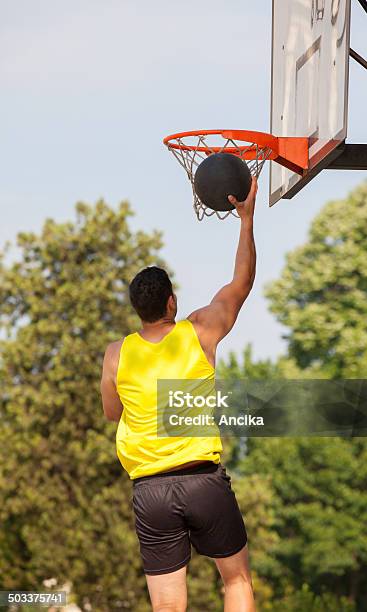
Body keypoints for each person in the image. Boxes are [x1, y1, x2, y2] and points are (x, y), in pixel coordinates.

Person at [100, 177, 258, 612]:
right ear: (171, 302)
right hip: (202, 480)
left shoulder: (116, 355)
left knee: (168, 606)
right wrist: (245, 220)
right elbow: (240, 284)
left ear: (139, 309)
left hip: (150, 491)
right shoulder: (200, 330)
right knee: (237, 580)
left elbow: (112, 413)